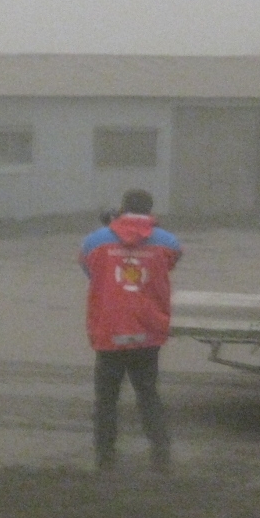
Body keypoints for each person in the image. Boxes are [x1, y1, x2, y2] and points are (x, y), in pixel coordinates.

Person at [79, 188, 183, 473]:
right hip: (147, 332)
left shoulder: (94, 242)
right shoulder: (168, 242)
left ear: (122, 208)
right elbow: (172, 261)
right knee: (148, 394)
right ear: (150, 211)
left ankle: (105, 456)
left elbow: (89, 270)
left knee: (106, 399)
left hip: (109, 330)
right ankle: (161, 453)